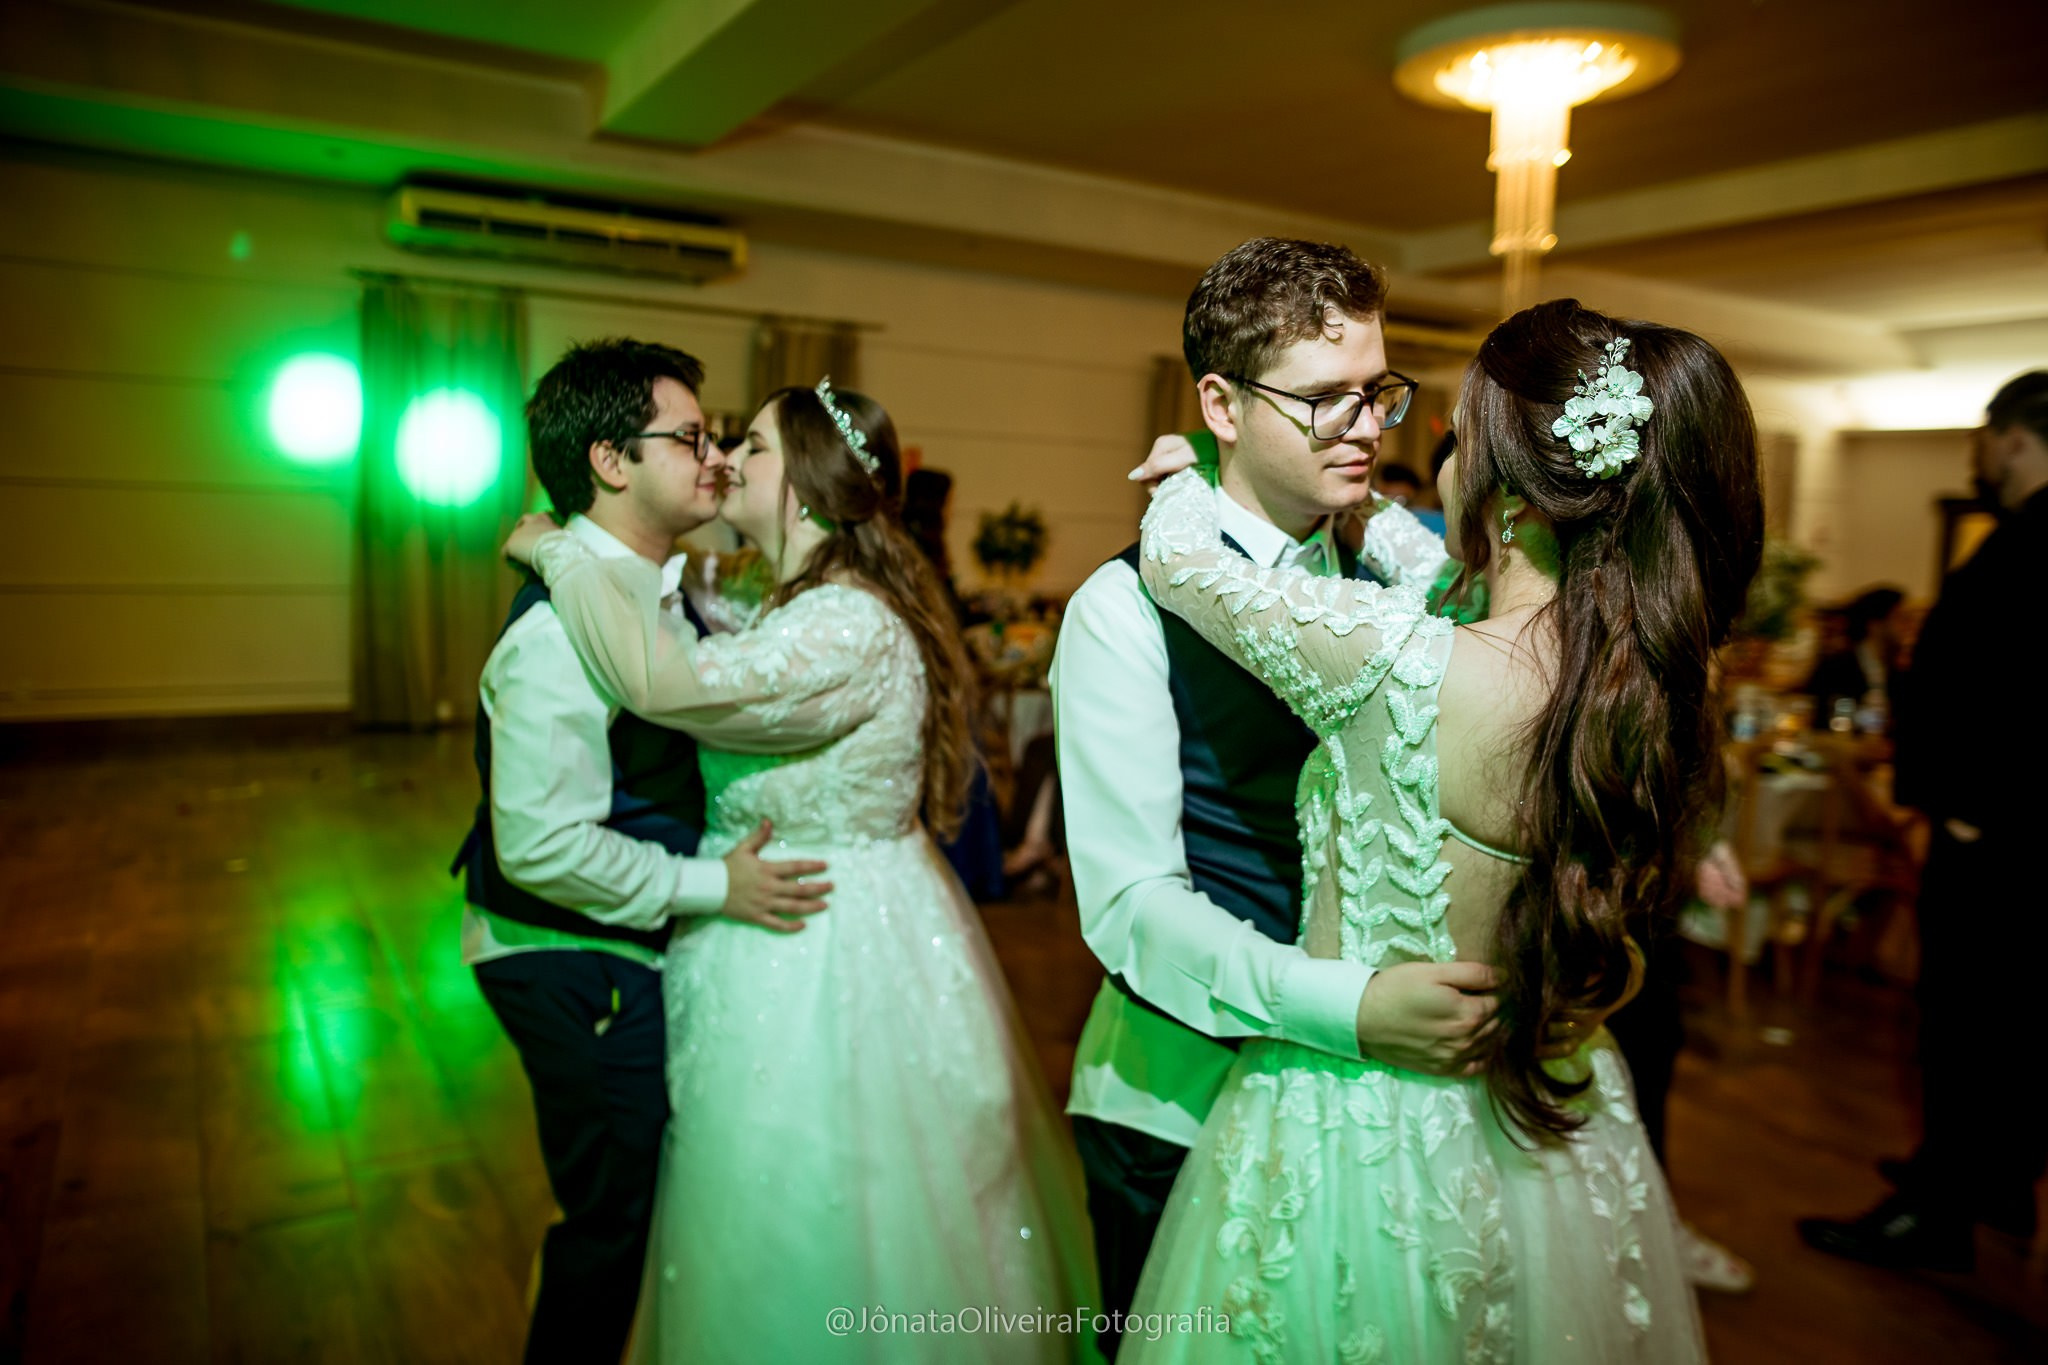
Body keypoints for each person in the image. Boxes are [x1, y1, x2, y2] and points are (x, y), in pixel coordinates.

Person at [1121, 298, 1763, 1362]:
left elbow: (1183, 569)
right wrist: (1372, 520)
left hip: (1368, 1127)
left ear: (1507, 493)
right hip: (1554, 1116)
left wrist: (1188, 469)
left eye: (1456, 433)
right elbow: (1460, 597)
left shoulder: (1404, 667)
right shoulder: (1647, 674)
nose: (1425, 449)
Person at [504, 379, 1097, 1363]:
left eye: (753, 446)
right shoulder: (767, 592)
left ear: (813, 488)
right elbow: (678, 587)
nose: (725, 458)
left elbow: (667, 681)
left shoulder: (845, 624)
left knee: (829, 1198)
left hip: (826, 947)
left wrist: (554, 548)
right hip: (772, 923)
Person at [1052, 238, 1505, 1358]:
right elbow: (1128, 904)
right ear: (1218, 402)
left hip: (1375, 1112)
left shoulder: (1400, 578)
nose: (1364, 429)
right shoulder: (1119, 608)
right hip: (1179, 1093)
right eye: (1321, 401)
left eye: (1377, 395)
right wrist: (1348, 1006)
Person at [454, 338, 829, 1365]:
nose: (713, 458)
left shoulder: (655, 590)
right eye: (690, 438)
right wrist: (716, 884)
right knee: (612, 1220)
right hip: (574, 959)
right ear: (611, 461)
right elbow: (540, 848)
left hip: (629, 943)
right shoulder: (555, 640)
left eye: (718, 439)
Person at [1799, 371, 2048, 1271]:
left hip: (2002, 843)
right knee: (1997, 1028)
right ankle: (1988, 1182)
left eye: (1983, 435)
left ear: (2014, 437)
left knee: (1971, 1026)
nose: (1975, 453)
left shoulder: (2035, 540)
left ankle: (1942, 1212)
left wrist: (1979, 815)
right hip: (1996, 830)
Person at [1799, 586, 1905, 732]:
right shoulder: (1837, 667)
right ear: (1875, 624)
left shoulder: (1896, 670)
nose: (1907, 626)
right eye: (1899, 618)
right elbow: (1819, 723)